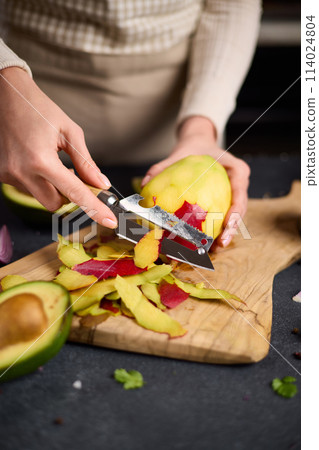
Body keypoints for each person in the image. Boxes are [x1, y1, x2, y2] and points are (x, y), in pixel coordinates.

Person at [0, 0, 261, 247]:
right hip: (32, 90)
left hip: (176, 114)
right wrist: (7, 80)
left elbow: (232, 5)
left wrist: (201, 128)